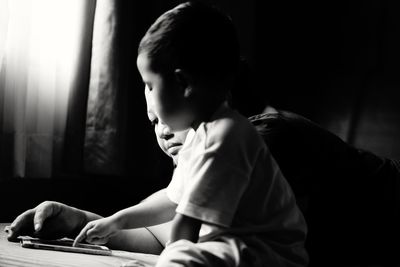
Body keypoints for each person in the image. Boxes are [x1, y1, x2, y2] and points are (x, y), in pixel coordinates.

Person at [72, 1, 307, 267]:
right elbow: (174, 200)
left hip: (268, 254)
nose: (160, 128)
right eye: (153, 122)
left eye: (151, 84)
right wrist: (118, 221)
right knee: (184, 252)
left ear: (183, 84)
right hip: (235, 246)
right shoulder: (200, 136)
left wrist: (173, 255)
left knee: (182, 252)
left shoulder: (228, 137)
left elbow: (187, 223)